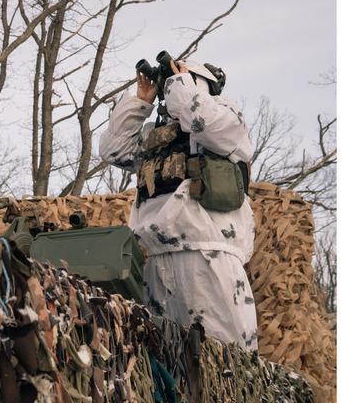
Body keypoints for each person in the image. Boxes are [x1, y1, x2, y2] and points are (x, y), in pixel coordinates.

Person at [98, 58, 258, 351]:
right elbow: (113, 150)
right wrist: (140, 103)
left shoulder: (225, 118)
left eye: (179, 78)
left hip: (208, 258)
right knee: (164, 357)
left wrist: (180, 82)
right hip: (157, 259)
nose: (169, 86)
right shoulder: (158, 136)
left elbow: (201, 120)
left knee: (222, 356)